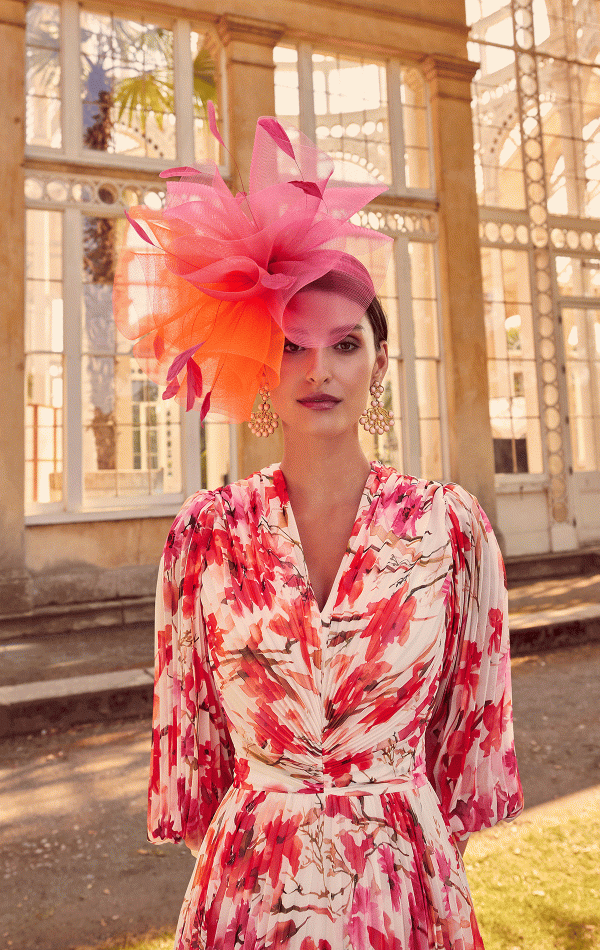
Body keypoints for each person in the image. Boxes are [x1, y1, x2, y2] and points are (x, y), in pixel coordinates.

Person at [114, 112, 524, 950]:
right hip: (247, 892)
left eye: (344, 345)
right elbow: (189, 735)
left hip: (406, 887)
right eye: (293, 347)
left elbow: (473, 731)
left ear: (379, 363)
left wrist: (391, 836)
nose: (319, 370)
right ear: (265, 364)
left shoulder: (450, 528)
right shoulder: (207, 532)